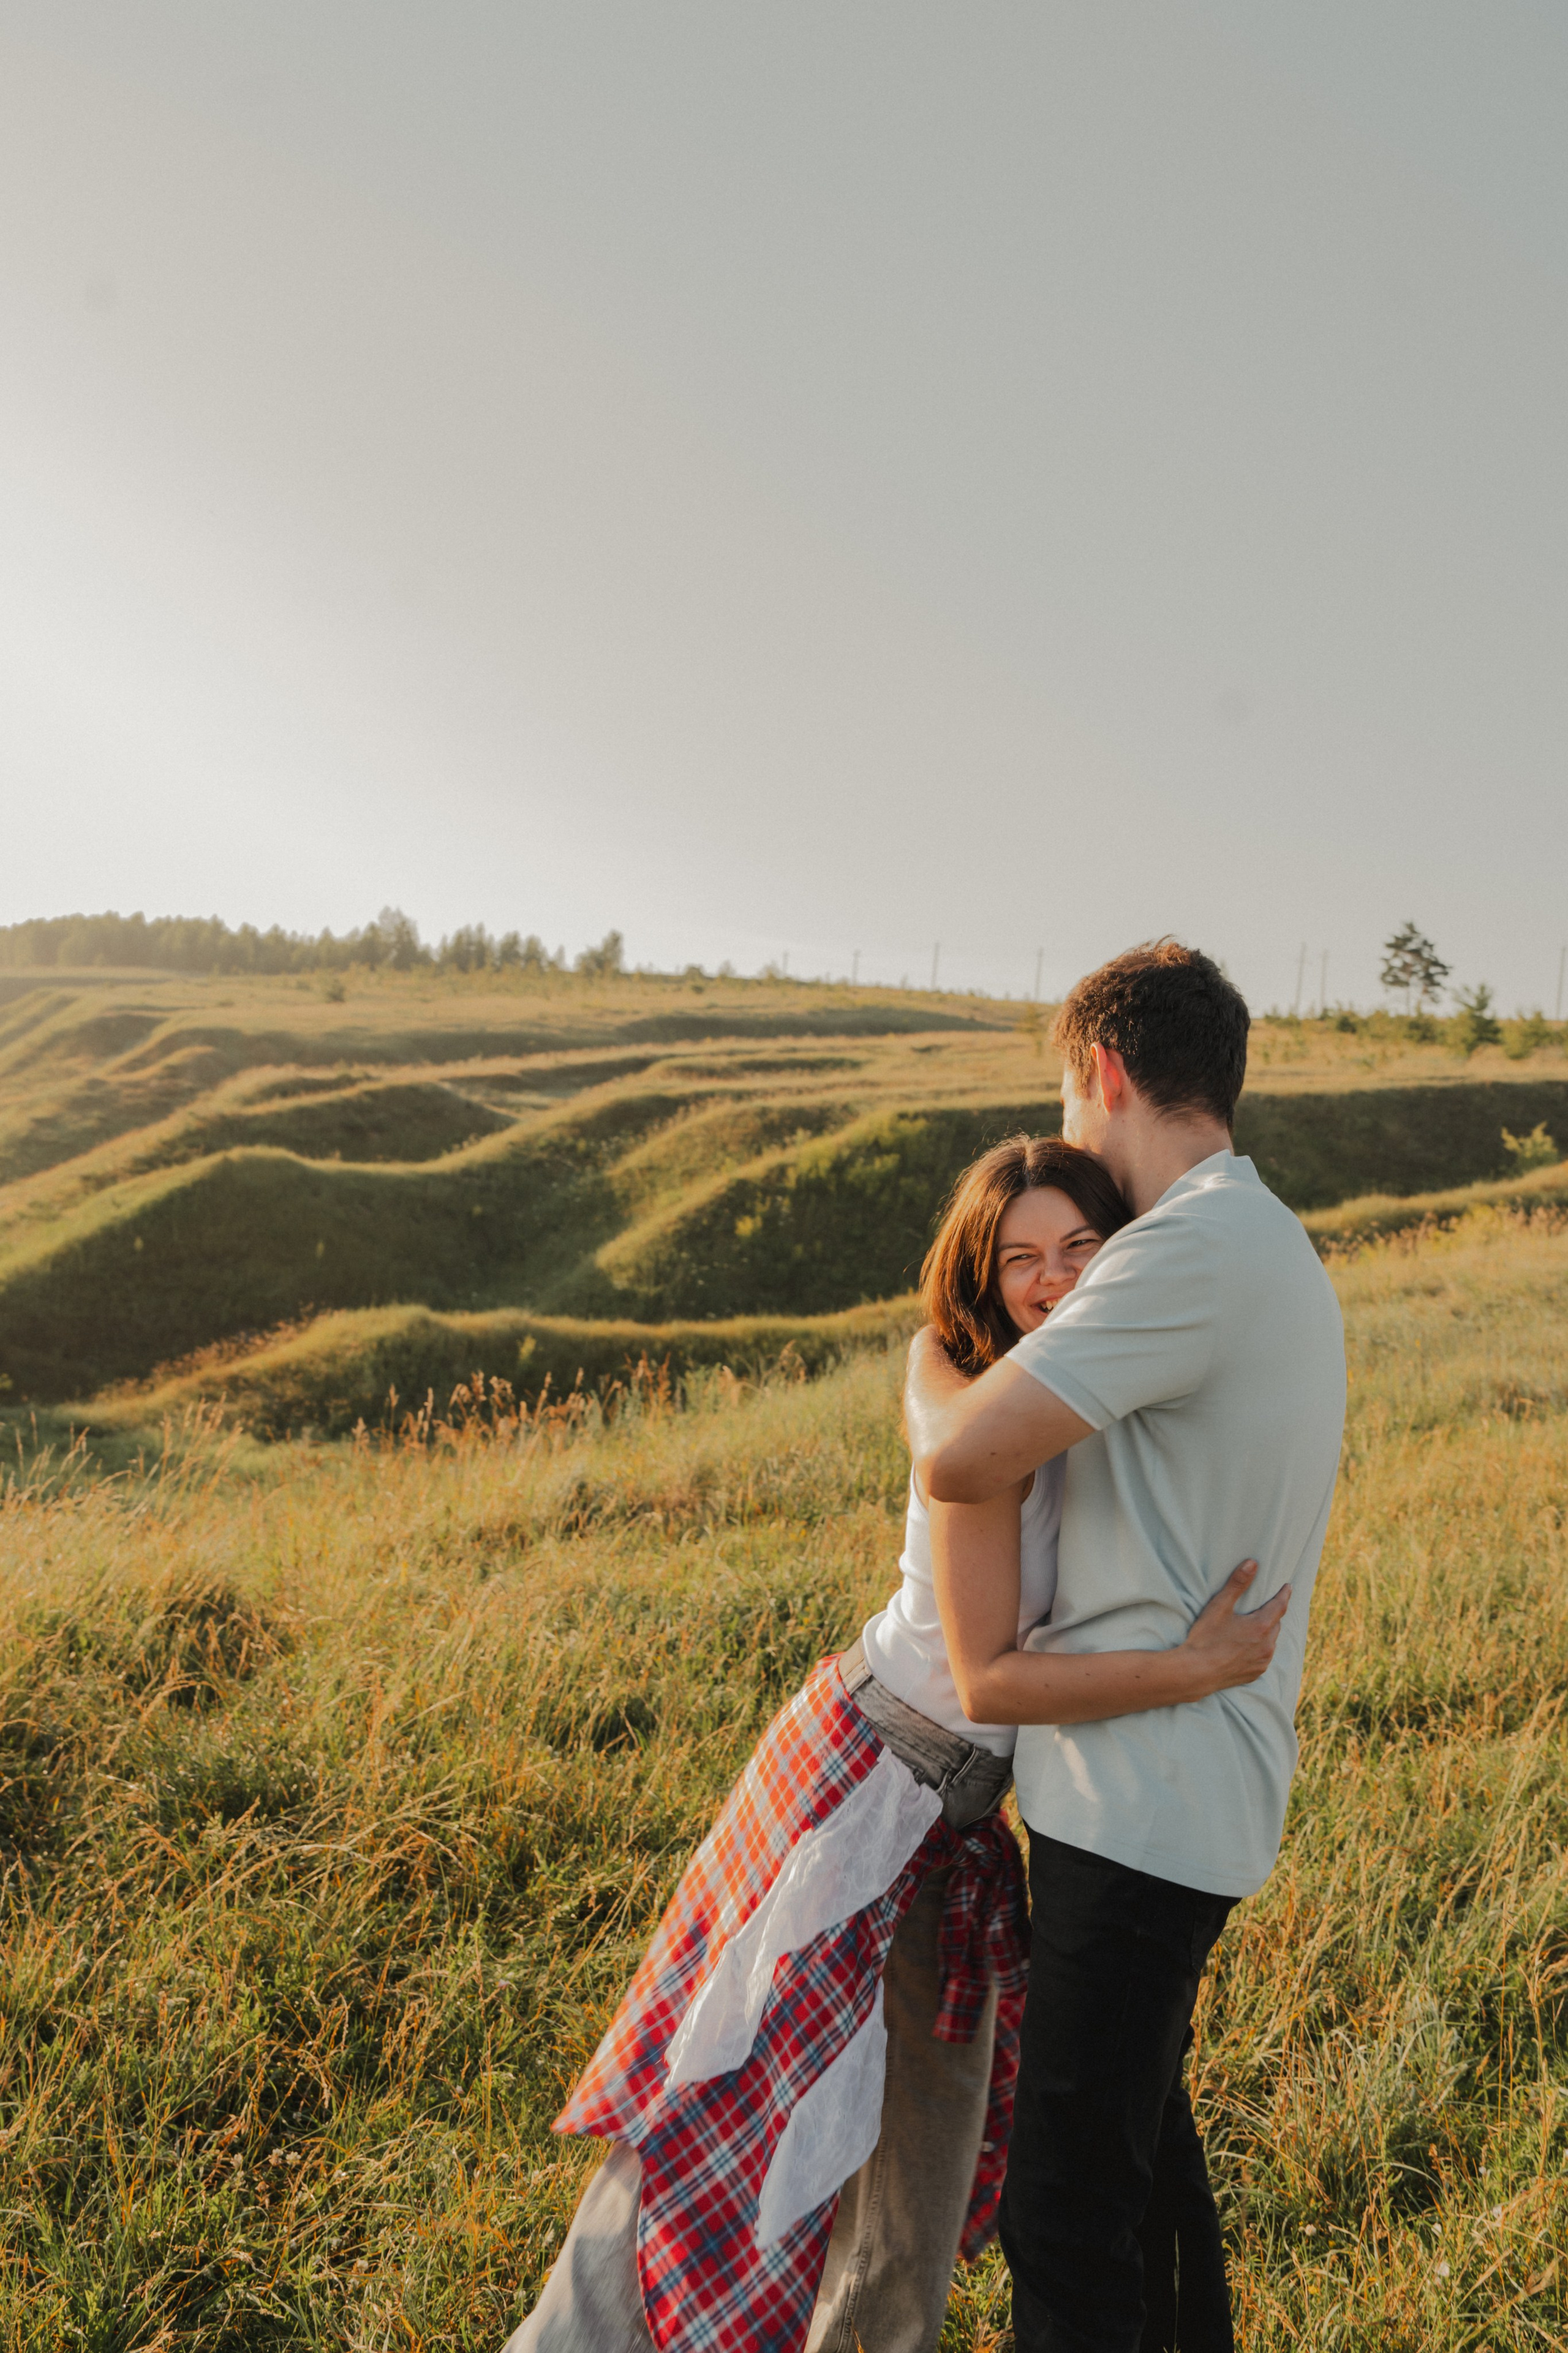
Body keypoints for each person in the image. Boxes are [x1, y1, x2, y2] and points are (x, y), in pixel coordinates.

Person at [502, 1131, 1287, 2353]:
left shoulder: (1056, 1398)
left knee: (906, 2169)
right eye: (1021, 1257)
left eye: (1082, 1246)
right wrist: (1195, 1666)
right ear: (979, 1276)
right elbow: (988, 1673)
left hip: (943, 1819)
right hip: (866, 1794)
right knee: (728, 2139)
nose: (1055, 1279)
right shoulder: (979, 1427)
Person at [906, 940, 1348, 2353]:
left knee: (1067, 2218)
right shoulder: (1254, 1237)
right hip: (1162, 1793)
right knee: (1144, 2194)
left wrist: (925, 1355)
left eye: (1067, 1095)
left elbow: (966, 1458)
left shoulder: (1190, 1245)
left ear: (1100, 1071)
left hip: (1144, 1807)